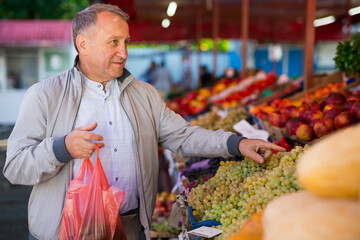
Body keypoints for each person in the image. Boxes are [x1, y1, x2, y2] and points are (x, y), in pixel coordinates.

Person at [3, 3, 285, 240]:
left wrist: (237, 143)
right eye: (113, 41)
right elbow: (15, 167)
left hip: (130, 230)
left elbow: (183, 136)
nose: (124, 52)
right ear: (83, 44)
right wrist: (62, 148)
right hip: (64, 232)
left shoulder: (144, 94)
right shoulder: (44, 95)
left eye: (126, 42)